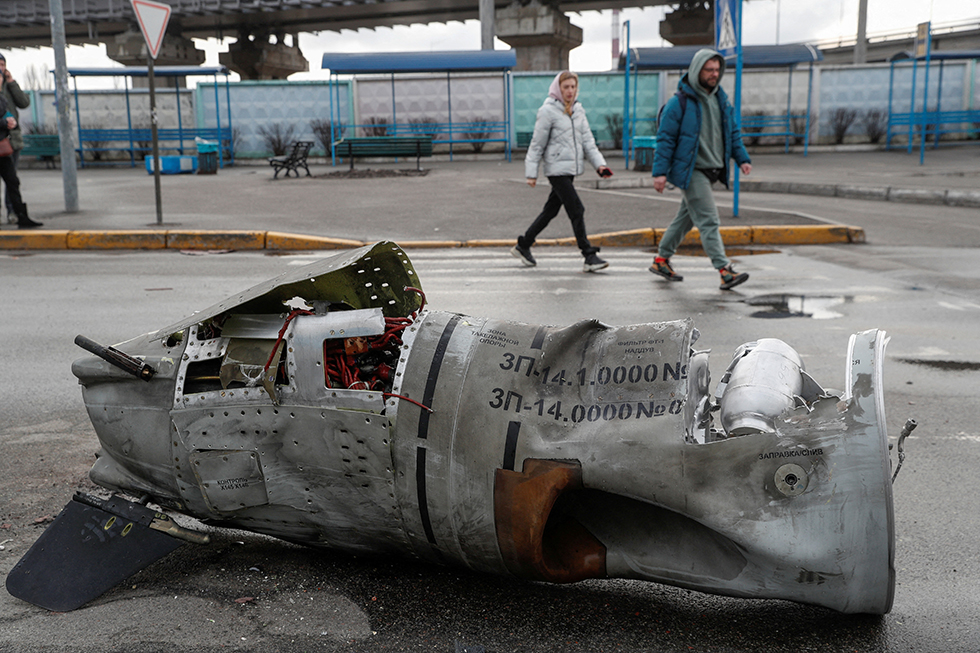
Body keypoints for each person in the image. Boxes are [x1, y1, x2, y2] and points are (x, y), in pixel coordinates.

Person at [649, 49, 751, 290]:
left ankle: (661, 259)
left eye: (717, 70)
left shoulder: (720, 100)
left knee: (685, 219)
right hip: (691, 170)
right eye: (709, 70)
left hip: (712, 169)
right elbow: (665, 139)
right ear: (697, 71)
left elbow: (732, 133)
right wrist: (659, 172)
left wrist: (742, 158)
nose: (714, 74)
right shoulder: (679, 103)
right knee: (708, 220)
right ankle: (725, 270)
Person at [513, 71, 612, 273]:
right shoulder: (547, 111)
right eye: (565, 87)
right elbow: (537, 144)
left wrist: (600, 165)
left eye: (573, 87)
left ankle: (524, 244)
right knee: (577, 209)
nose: (570, 91)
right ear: (558, 88)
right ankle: (588, 255)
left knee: (550, 211)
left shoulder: (578, 111)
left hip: (570, 169)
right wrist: (531, 173)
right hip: (556, 169)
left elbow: (588, 142)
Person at [0, 94, 40, 229]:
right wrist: (5, 123)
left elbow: (8, 112)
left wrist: (12, 122)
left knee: (13, 181)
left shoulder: (2, 97)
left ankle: (21, 215)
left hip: (2, 148)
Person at [0, 53, 31, 224]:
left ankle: (14, 212)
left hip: (12, 140)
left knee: (12, 180)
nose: (1, 68)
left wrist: (11, 83)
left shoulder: (8, 87)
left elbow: (24, 102)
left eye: (3, 64)